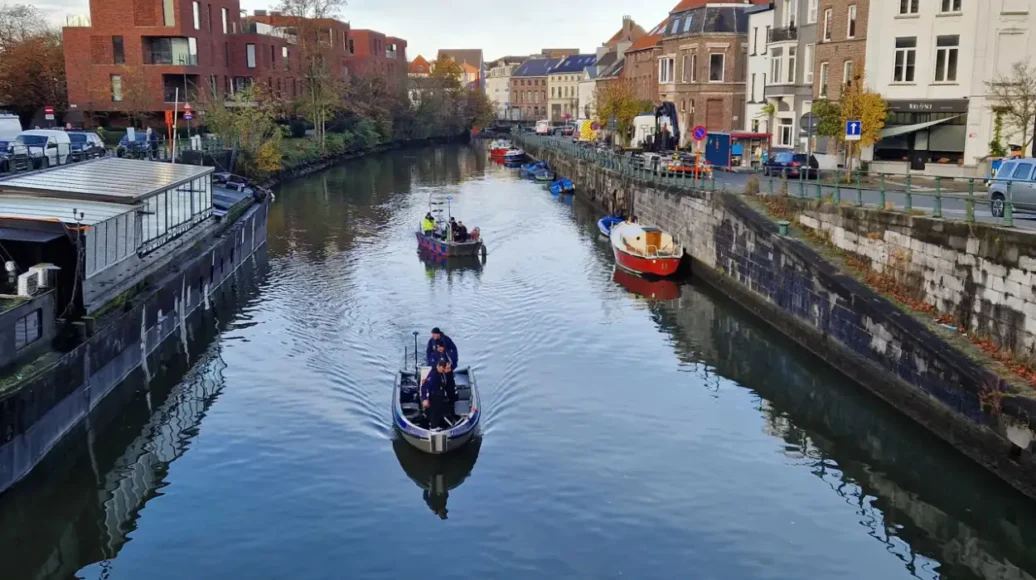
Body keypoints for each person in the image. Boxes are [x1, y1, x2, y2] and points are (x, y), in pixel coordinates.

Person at [420, 359, 452, 430]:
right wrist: (425, 398)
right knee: (435, 411)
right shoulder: (433, 374)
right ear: (438, 366)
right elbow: (425, 387)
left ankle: (438, 424)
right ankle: (433, 427)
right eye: (442, 368)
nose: (443, 370)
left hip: (441, 396)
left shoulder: (442, 373)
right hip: (434, 396)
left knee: (440, 411)